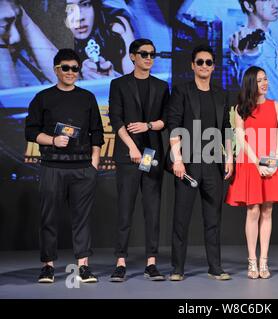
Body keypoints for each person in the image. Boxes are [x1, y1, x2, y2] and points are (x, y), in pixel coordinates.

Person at [25, 48, 104, 283]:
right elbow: (30, 131)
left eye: (75, 68)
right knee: (48, 218)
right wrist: (52, 140)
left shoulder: (87, 97)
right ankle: (48, 267)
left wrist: (94, 162)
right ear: (56, 69)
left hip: (82, 168)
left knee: (82, 218)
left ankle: (83, 267)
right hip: (52, 166)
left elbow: (97, 132)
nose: (71, 72)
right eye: (66, 68)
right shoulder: (43, 97)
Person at [167, 44, 234, 281]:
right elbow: (174, 124)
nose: (204, 66)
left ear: (213, 67)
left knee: (213, 218)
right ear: (192, 65)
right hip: (188, 163)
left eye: (208, 62)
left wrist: (229, 157)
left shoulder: (221, 93)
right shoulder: (182, 91)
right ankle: (177, 268)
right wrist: (177, 159)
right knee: (181, 217)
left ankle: (215, 267)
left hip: (214, 162)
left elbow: (226, 127)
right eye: (200, 62)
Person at [108, 38, 169, 282]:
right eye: (144, 54)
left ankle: (151, 262)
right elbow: (116, 120)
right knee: (125, 209)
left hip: (152, 154)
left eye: (153, 54)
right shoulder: (119, 84)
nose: (149, 58)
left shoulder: (162, 86)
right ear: (133, 56)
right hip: (127, 155)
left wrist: (148, 125)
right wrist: (132, 146)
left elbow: (166, 120)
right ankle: (120, 261)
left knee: (152, 210)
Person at [225, 66, 278, 279]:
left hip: (272, 162)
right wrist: (257, 164)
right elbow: (241, 139)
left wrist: (273, 161)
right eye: (259, 80)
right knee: (253, 210)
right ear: (251, 84)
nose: (264, 83)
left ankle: (264, 262)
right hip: (250, 163)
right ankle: (251, 261)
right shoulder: (240, 109)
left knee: (267, 211)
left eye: (266, 79)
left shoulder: (277, 106)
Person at [229, 0, 278, 105]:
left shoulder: (267, 37)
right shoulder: (247, 40)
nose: (276, 5)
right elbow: (249, 60)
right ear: (249, 6)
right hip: (264, 116)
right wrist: (248, 52)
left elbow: (270, 64)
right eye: (266, 0)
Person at [64, 0, 135, 79]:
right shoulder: (53, 40)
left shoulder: (115, 27)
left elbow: (136, 84)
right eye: (69, 8)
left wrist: (112, 77)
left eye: (85, 4)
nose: (80, 17)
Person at [0, 0, 57, 88]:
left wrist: (25, 21)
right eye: (6, 26)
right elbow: (12, 99)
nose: (16, 38)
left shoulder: (22, 57)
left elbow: (68, 81)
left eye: (17, 22)